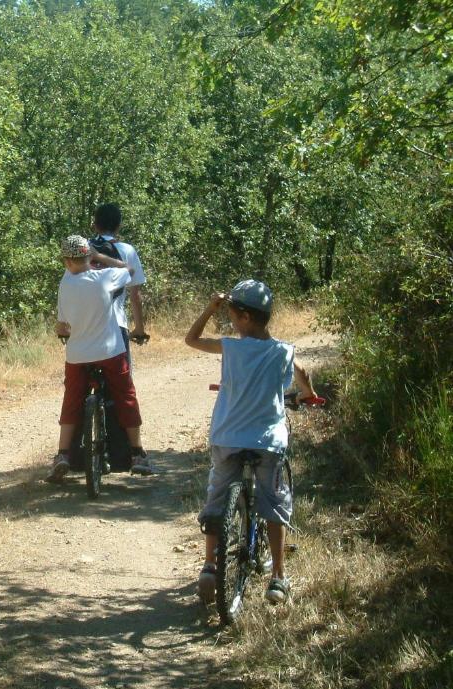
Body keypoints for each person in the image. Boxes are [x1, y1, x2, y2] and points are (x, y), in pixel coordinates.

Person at [184, 279, 319, 605]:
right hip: (267, 441)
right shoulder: (284, 351)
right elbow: (303, 376)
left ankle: (209, 568)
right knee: (274, 502)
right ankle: (277, 579)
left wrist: (209, 307)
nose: (230, 319)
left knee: (217, 499)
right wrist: (308, 395)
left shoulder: (230, 347)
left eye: (230, 313)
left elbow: (192, 339)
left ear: (243, 317)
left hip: (228, 438)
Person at [48, 235, 154, 483]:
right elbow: (128, 269)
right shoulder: (104, 277)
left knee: (72, 400)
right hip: (110, 353)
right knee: (125, 396)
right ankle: (137, 454)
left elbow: (62, 326)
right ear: (88, 257)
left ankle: (63, 454)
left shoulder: (65, 284)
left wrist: (64, 333)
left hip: (77, 356)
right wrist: (101, 257)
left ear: (66, 261)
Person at [89, 203, 148, 367]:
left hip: (84, 326)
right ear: (119, 225)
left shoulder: (83, 249)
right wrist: (139, 329)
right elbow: (135, 296)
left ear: (95, 225)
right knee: (122, 388)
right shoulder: (127, 250)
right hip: (115, 324)